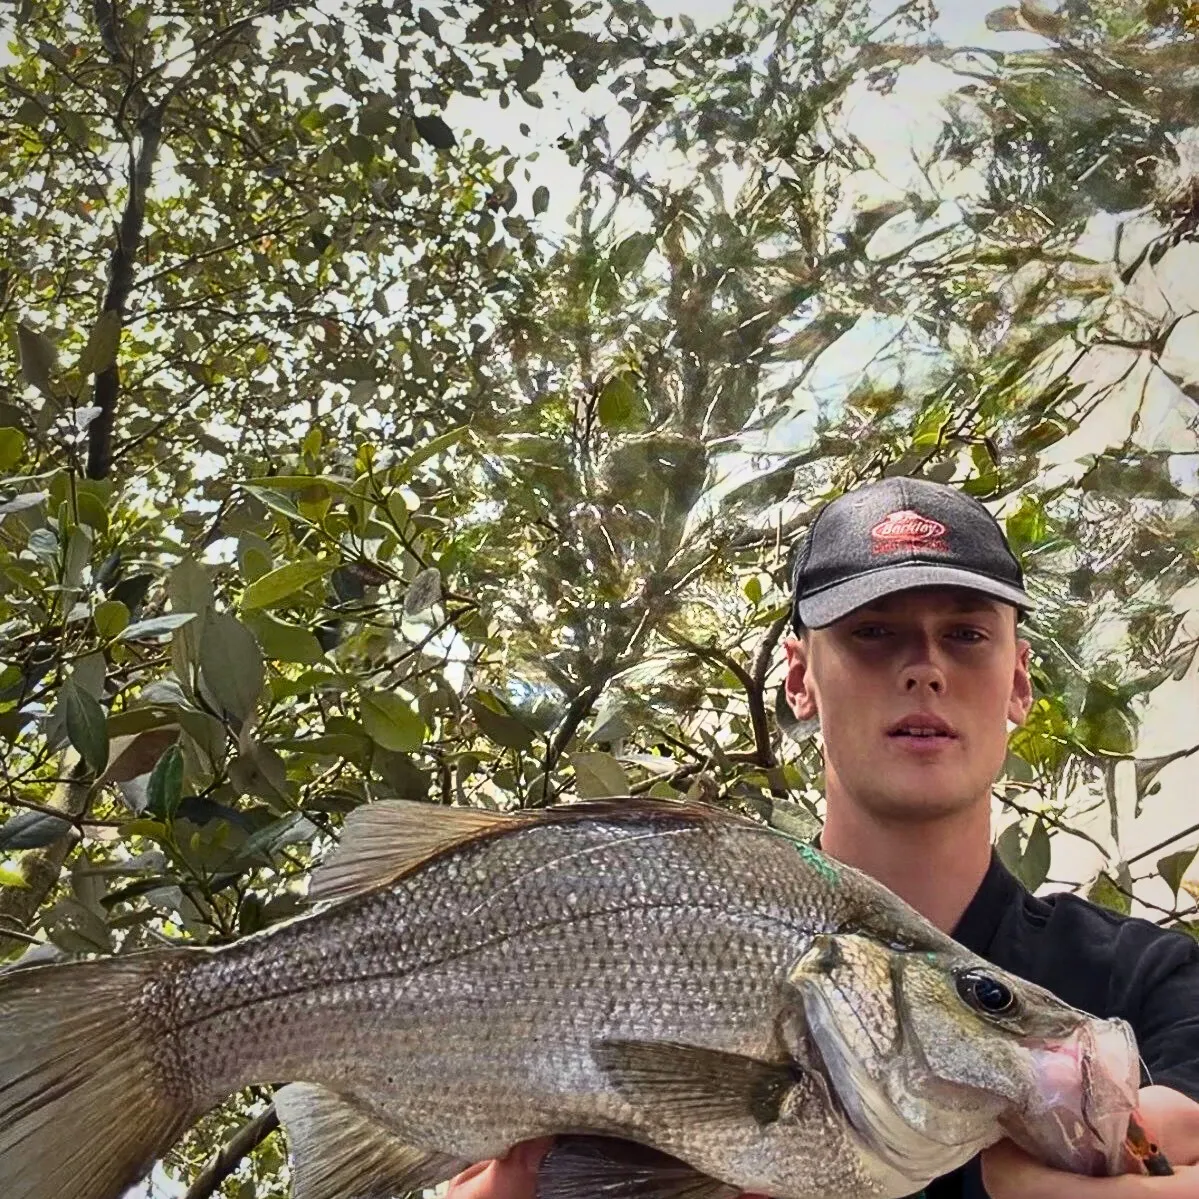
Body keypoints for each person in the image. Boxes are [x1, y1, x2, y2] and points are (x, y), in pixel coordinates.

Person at [443, 477, 1199, 1199]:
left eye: (966, 634)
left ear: (1019, 681)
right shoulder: (652, 937)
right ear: (799, 679)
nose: (924, 669)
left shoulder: (1149, 980)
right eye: (873, 633)